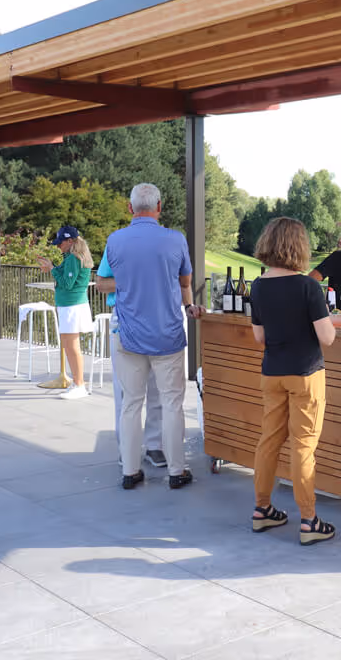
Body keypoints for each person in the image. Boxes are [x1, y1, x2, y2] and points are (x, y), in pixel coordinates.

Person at [98, 183, 202, 490]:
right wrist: (186, 303)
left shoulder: (115, 240)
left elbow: (102, 282)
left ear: (130, 209)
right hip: (166, 332)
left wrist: (129, 280)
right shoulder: (175, 240)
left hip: (127, 332)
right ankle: (176, 471)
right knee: (172, 403)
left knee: (131, 402)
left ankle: (130, 472)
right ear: (159, 207)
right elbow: (185, 280)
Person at [248, 217, 338, 545]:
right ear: (298, 246)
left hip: (272, 373)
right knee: (303, 447)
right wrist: (332, 321)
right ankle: (309, 520)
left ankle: (262, 510)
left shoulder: (258, 285)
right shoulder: (308, 287)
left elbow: (259, 336)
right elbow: (326, 338)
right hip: (305, 375)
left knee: (269, 441)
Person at [96, 246, 165, 468]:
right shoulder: (117, 244)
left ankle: (154, 446)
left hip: (158, 317)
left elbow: (180, 281)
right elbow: (101, 284)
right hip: (125, 318)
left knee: (158, 388)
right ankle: (127, 448)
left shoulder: (166, 243)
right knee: (126, 390)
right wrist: (135, 281)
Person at [37, 225, 93, 400]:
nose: (58, 246)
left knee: (72, 347)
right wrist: (52, 267)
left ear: (70, 241)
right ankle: (77, 383)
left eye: (61, 242)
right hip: (72, 306)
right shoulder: (71, 257)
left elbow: (67, 284)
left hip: (72, 306)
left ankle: (79, 385)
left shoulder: (73, 259)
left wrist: (52, 269)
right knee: (70, 346)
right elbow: (63, 275)